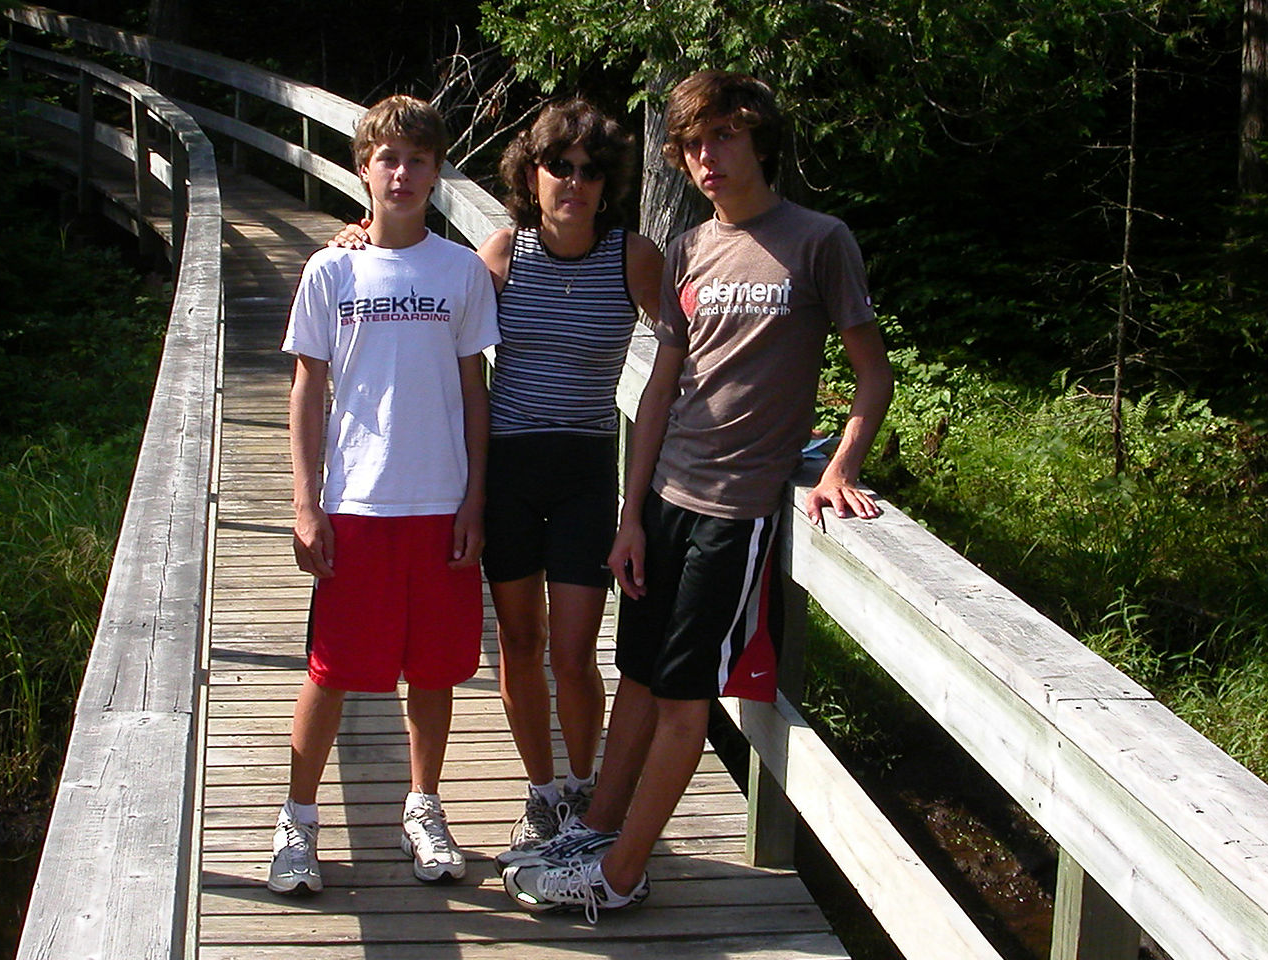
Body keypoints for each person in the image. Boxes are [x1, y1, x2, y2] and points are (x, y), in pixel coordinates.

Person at [501, 69, 894, 920]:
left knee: (685, 696)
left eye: (722, 137)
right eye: (690, 145)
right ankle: (598, 831)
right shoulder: (686, 250)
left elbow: (873, 373)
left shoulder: (820, 240)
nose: (705, 158)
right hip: (667, 496)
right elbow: (660, 388)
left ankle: (620, 875)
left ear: (758, 139)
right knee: (637, 674)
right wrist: (630, 514)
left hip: (738, 508)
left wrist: (841, 467)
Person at [333, 100, 663, 858]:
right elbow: (423, 284)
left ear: (607, 183)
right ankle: (542, 792)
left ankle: (584, 787)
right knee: (520, 639)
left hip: (584, 470)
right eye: (560, 168)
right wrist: (356, 235)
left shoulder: (632, 257)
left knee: (575, 651)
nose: (574, 183)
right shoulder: (504, 255)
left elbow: (684, 349)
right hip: (508, 469)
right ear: (532, 175)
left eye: (590, 171)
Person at [267, 94, 499, 896]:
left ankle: (424, 805)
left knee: (432, 670)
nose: (402, 174)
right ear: (363, 168)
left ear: (436, 173)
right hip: (356, 503)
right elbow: (306, 389)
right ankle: (296, 823)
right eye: (387, 159)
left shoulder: (460, 270)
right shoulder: (332, 268)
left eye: (419, 160)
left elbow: (475, 389)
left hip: (439, 502)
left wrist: (475, 498)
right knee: (330, 670)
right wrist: (305, 502)